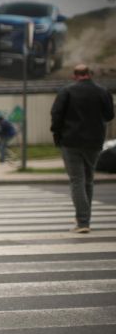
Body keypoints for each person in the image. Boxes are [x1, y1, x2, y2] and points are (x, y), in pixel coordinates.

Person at [51, 64, 114, 233]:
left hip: (70, 141)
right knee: (88, 179)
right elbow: (109, 115)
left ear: (75, 75)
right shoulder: (102, 91)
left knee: (77, 179)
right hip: (94, 142)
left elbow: (56, 115)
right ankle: (85, 219)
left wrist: (57, 136)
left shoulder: (66, 91)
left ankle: (82, 222)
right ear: (89, 74)